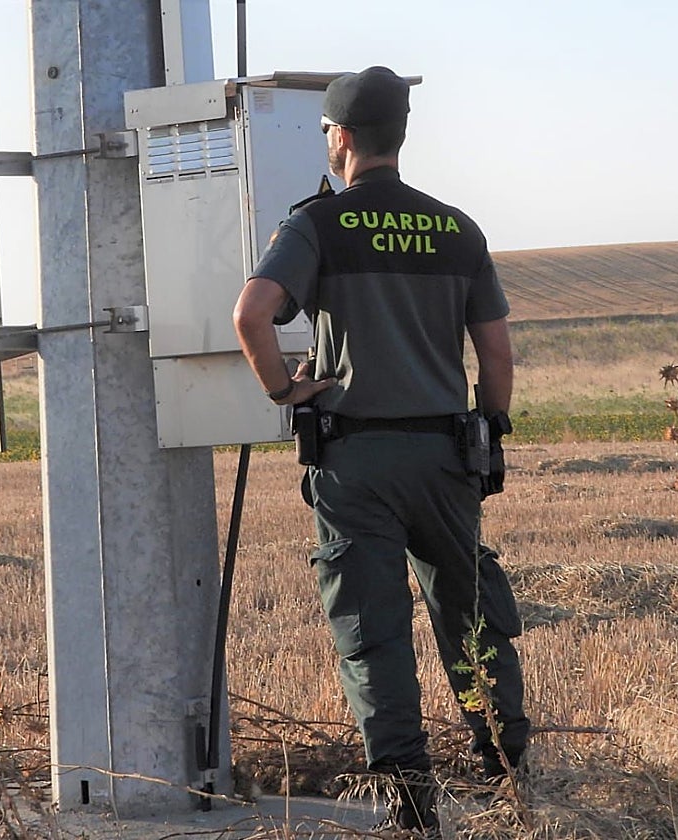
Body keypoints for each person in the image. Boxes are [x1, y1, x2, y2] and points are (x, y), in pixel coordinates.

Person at [233, 66, 529, 834]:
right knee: (470, 619)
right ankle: (508, 777)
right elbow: (497, 357)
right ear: (400, 135)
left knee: (373, 631)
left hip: (355, 462)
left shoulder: (317, 226)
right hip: (445, 457)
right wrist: (487, 430)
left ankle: (410, 802)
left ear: (339, 138)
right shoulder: (457, 228)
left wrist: (282, 390)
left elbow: (252, 314)